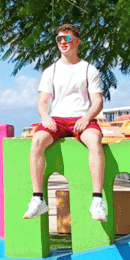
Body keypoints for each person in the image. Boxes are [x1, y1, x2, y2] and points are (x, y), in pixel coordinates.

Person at [23, 24, 108, 221]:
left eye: (67, 39)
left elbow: (98, 101)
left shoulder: (89, 69)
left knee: (94, 140)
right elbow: (42, 101)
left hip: (82, 118)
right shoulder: (50, 71)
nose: (63, 42)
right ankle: (37, 199)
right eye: (59, 39)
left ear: (77, 42)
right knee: (36, 141)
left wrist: (86, 117)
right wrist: (45, 118)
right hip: (57, 119)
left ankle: (97, 201)